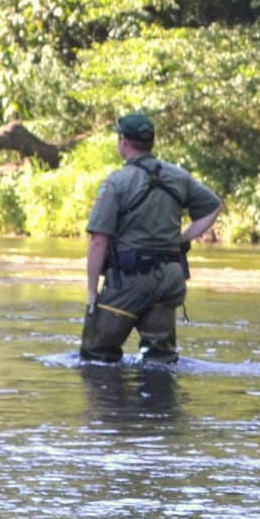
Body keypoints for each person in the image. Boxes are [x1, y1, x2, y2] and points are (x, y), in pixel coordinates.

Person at [81, 111, 222, 364]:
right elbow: (213, 207)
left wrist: (92, 291)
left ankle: (106, 405)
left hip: (128, 281)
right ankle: (161, 403)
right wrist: (183, 238)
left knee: (96, 357)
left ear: (123, 141)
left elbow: (98, 241)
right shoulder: (179, 176)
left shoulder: (116, 182)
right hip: (169, 279)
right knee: (161, 361)